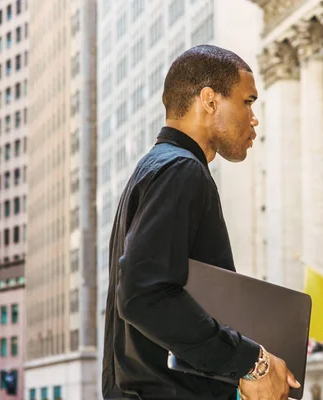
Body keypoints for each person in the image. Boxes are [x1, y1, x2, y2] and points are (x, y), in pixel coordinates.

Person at [102, 45, 300, 400]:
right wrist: (252, 362)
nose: (254, 117)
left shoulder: (152, 170)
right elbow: (142, 295)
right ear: (209, 100)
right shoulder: (181, 170)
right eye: (247, 101)